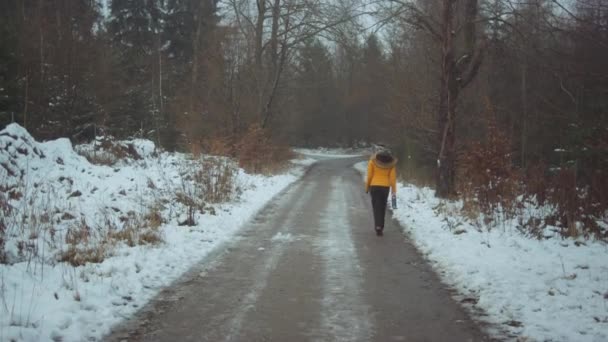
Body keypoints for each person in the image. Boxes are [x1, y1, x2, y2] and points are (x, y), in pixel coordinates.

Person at [365, 147, 397, 236]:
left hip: (374, 186)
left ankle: (377, 226)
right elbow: (392, 178)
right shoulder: (391, 164)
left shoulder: (372, 162)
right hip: (385, 187)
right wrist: (394, 191)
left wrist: (367, 187)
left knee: (376, 207)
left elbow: (369, 176)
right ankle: (381, 227)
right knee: (382, 207)